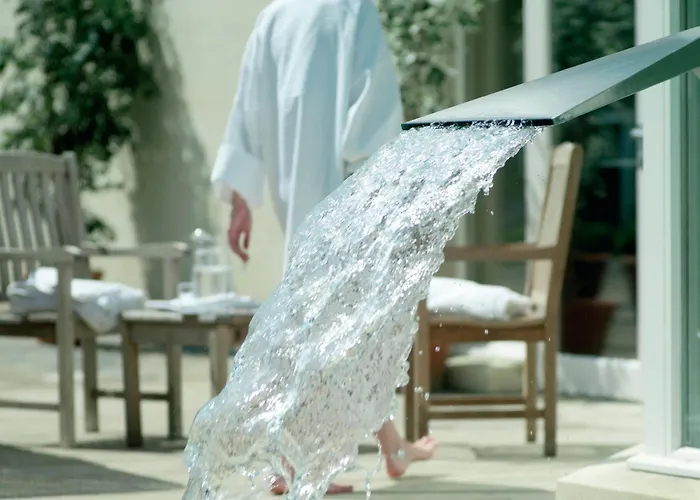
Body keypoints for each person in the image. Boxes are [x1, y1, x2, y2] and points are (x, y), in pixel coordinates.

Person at [211, 0, 437, 494]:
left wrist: (241, 199)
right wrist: (386, 194)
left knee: (339, 321)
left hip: (297, 192)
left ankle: (385, 446)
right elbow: (372, 109)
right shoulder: (350, 8)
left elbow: (247, 109)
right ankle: (300, 466)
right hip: (347, 191)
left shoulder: (277, 14)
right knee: (335, 323)